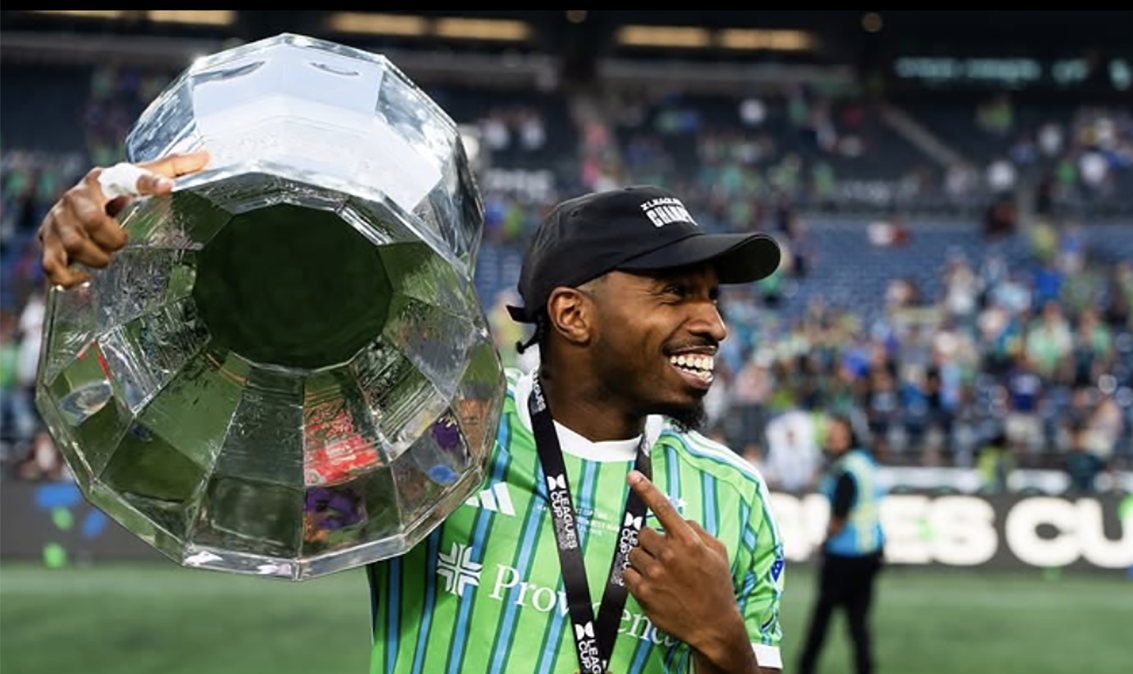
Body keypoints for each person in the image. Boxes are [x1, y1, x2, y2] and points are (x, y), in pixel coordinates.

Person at [38, 152, 789, 674]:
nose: (714, 324)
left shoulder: (735, 500)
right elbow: (223, 492)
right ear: (572, 314)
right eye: (676, 292)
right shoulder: (435, 440)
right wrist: (108, 252)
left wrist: (724, 642)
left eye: (713, 297)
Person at [796, 414, 885, 674]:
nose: (831, 439)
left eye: (836, 435)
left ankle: (806, 667)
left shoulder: (846, 470)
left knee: (821, 620)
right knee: (858, 623)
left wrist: (823, 543)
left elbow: (839, 518)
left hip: (844, 555)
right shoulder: (865, 463)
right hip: (870, 553)